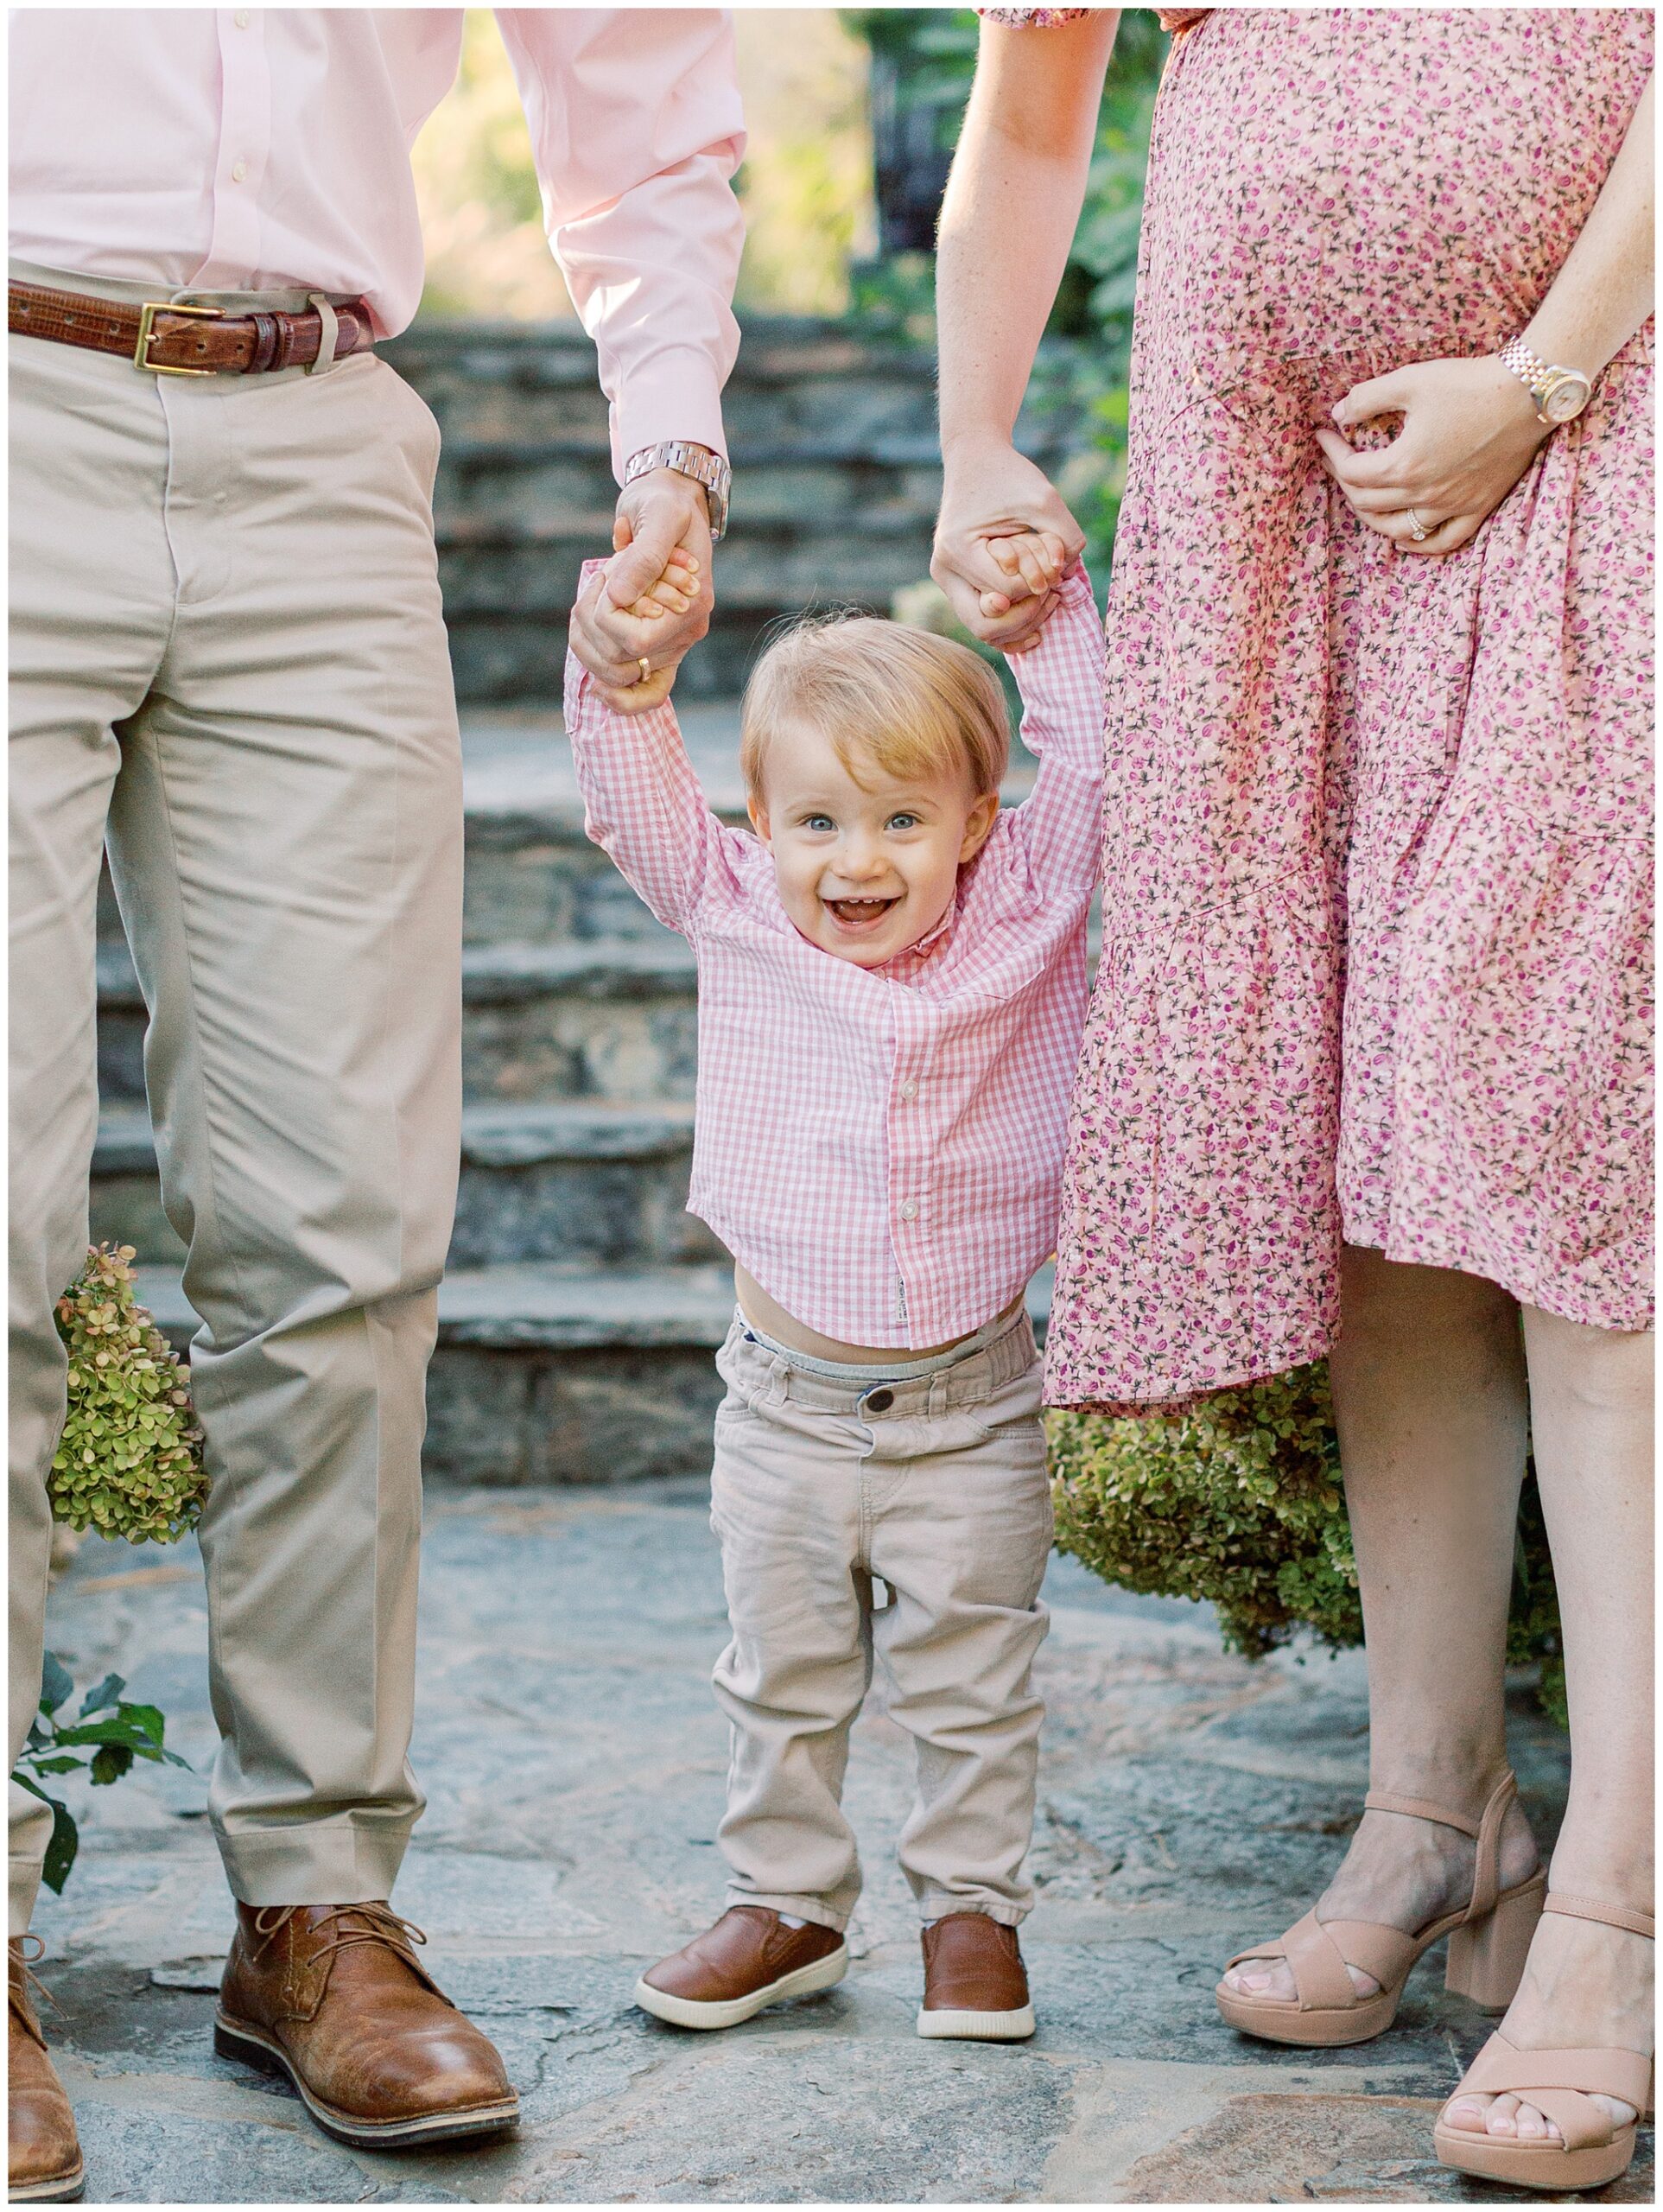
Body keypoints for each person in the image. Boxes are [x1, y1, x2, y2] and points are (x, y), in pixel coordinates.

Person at [8, 10, 744, 2198]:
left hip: (319, 443)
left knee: (347, 1228)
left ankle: (317, 1903)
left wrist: (675, 445)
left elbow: (634, 62)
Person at [932, 5, 1652, 2192]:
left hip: (1601, 425)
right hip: (1284, 504)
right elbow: (1033, 102)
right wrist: (977, 444)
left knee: (1570, 1127)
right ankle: (1440, 1816)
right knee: (1375, 1142)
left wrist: (1538, 374)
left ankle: (1619, 1906)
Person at [560, 536, 1101, 2041]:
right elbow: (628, 796)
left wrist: (1043, 617)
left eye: (901, 820)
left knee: (974, 1683)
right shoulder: (731, 906)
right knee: (780, 1679)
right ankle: (787, 1904)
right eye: (815, 821)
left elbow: (1104, 756)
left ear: (978, 823)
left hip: (973, 1412)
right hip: (784, 1412)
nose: (854, 861)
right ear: (758, 823)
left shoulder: (1029, 911)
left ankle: (971, 1917)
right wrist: (623, 668)